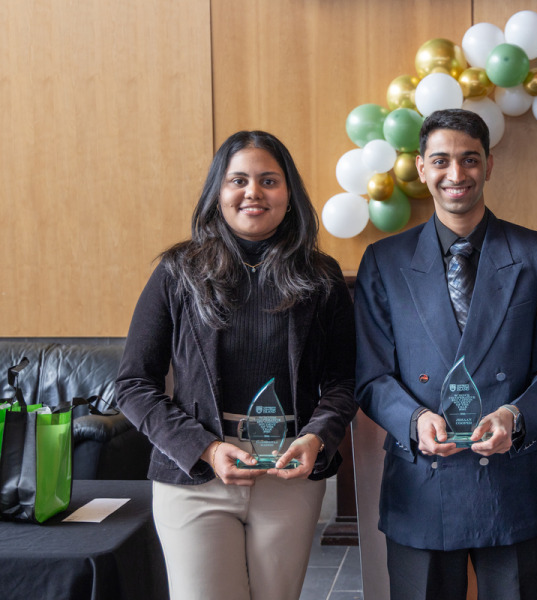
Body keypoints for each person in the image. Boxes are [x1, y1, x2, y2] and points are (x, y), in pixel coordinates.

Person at [115, 130, 357, 600]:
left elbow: (343, 381)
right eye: (238, 180)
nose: (253, 192)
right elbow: (133, 385)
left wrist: (315, 438)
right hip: (195, 476)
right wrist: (204, 449)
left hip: (289, 474)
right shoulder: (177, 272)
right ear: (217, 193)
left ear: (289, 195)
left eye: (269, 180)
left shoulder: (321, 277)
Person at [354, 109, 537, 600]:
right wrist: (414, 421)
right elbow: (370, 378)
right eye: (441, 161)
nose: (456, 175)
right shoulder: (384, 261)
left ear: (489, 166)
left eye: (469, 160)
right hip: (420, 484)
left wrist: (514, 416)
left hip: (508, 481)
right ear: (421, 167)